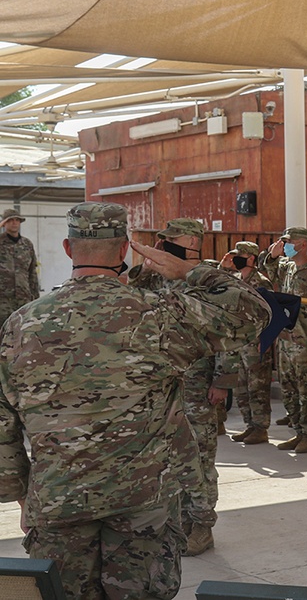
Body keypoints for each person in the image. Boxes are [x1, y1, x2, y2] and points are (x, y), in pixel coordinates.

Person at [0, 202, 270, 600]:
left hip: (58, 502)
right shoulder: (157, 314)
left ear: (68, 248)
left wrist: (22, 497)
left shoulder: (21, 325)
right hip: (143, 506)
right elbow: (254, 311)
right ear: (125, 250)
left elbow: (4, 428)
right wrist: (190, 270)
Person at [130, 217, 230, 556]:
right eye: (166, 240)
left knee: (200, 458)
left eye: (176, 240)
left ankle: (202, 524)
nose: (169, 245)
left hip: (198, 385)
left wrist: (222, 380)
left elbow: (231, 335)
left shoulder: (208, 279)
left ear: (194, 242)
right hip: (162, 387)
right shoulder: (155, 276)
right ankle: (178, 520)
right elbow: (132, 300)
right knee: (169, 459)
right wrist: (145, 266)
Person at [262, 227, 307, 454]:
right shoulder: (287, 267)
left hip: (304, 338)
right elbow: (267, 269)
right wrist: (273, 254)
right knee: (288, 387)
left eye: (289, 241)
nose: (285, 244)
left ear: (303, 244)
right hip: (286, 337)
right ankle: (298, 429)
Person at [224, 241, 275, 446]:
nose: (236, 258)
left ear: (251, 258)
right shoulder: (236, 279)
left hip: (256, 342)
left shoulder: (262, 282)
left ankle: (260, 428)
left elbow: (272, 314)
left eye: (240, 255)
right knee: (241, 387)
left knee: (257, 387)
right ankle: (249, 425)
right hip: (239, 342)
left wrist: (267, 340)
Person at [0, 208, 39, 325]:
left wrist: (36, 299)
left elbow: (32, 272)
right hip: (3, 299)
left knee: (23, 333)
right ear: (4, 223)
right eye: (10, 220)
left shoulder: (27, 244)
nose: (14, 223)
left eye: (17, 220)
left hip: (24, 298)